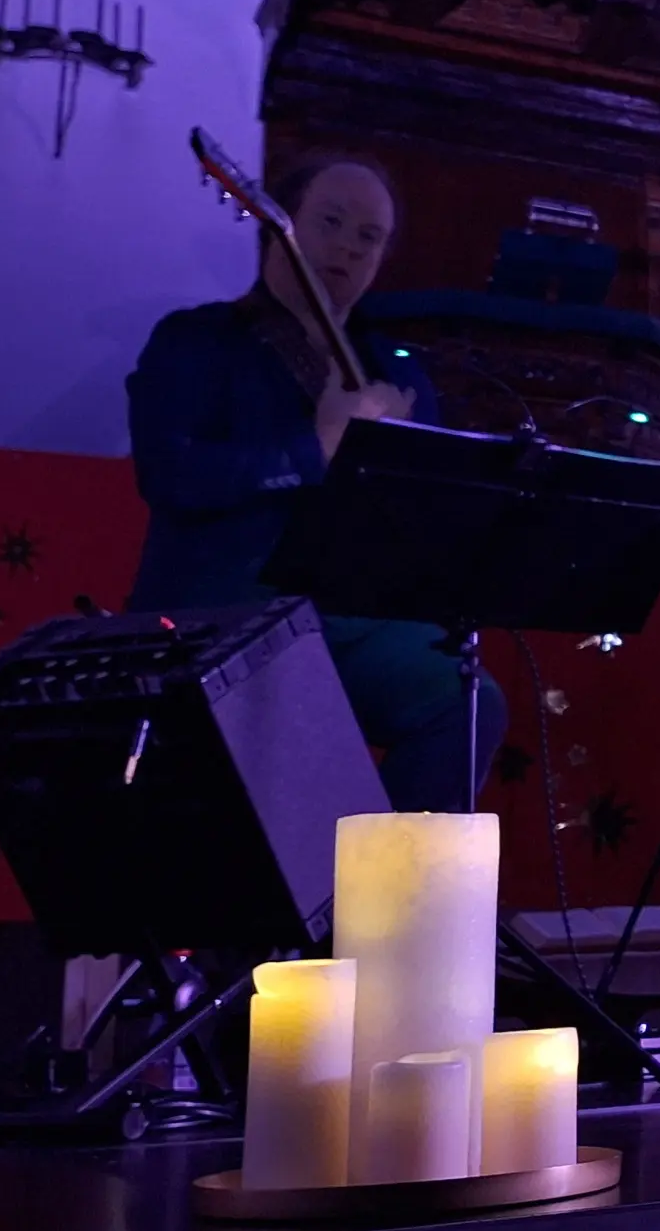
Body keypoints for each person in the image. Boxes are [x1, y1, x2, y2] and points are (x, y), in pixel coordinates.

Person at [123, 155, 507, 814]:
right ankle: (308, 902)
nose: (348, 247)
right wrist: (315, 448)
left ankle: (386, 898)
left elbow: (426, 515)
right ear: (281, 226)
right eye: (330, 222)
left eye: (370, 236)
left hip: (352, 617)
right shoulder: (199, 341)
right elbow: (169, 473)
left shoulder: (393, 370)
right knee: (300, 740)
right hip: (228, 612)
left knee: (467, 701)